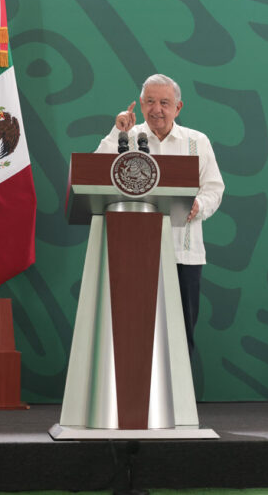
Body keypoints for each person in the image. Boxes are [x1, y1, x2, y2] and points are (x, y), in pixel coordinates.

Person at [96, 74, 224, 355]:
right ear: (141, 105)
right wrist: (114, 132)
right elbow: (95, 172)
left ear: (178, 107)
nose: (157, 109)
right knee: (132, 333)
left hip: (183, 255)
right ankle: (133, 399)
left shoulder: (196, 142)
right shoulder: (126, 137)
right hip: (133, 255)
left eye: (165, 103)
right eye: (150, 102)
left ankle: (179, 400)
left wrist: (198, 205)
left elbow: (214, 188)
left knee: (181, 336)